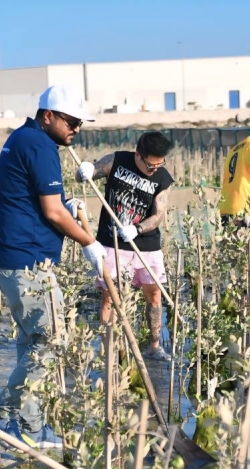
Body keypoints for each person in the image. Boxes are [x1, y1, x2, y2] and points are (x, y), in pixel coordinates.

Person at [0, 84, 104, 447]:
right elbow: (51, 211)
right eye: (71, 121)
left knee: (31, 345)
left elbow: (43, 202)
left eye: (80, 123)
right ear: (48, 115)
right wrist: (90, 243)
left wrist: (69, 208)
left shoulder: (22, 139)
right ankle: (3, 414)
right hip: (26, 262)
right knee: (52, 343)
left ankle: (30, 424)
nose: (76, 129)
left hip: (11, 255)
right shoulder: (38, 145)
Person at [75, 131, 175, 361]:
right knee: (110, 297)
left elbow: (159, 215)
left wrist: (137, 229)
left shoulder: (162, 178)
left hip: (146, 245)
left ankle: (155, 346)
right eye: (151, 165)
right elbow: (85, 175)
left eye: (160, 164)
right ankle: (109, 349)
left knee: (155, 296)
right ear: (138, 155)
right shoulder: (117, 161)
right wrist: (87, 170)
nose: (154, 170)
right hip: (112, 243)